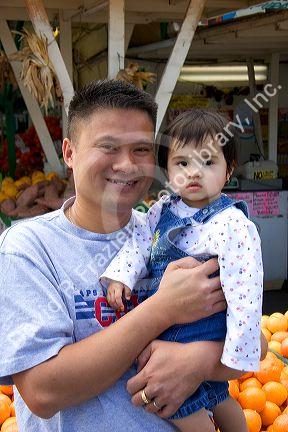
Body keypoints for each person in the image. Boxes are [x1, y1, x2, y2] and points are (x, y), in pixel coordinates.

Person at [0, 81, 263, 432]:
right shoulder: (29, 248)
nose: (126, 165)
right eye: (108, 147)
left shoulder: (178, 234)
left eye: (141, 150)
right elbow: (43, 391)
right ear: (69, 152)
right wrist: (161, 309)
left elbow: (254, 342)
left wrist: (198, 359)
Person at [102, 109, 264, 432]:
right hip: (172, 324)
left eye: (208, 162)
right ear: (168, 169)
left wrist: (238, 352)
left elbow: (247, 290)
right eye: (182, 163)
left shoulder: (231, 224)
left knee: (182, 406)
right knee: (217, 399)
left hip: (205, 329)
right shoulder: (160, 211)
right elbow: (139, 245)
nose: (194, 172)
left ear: (229, 169)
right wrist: (121, 274)